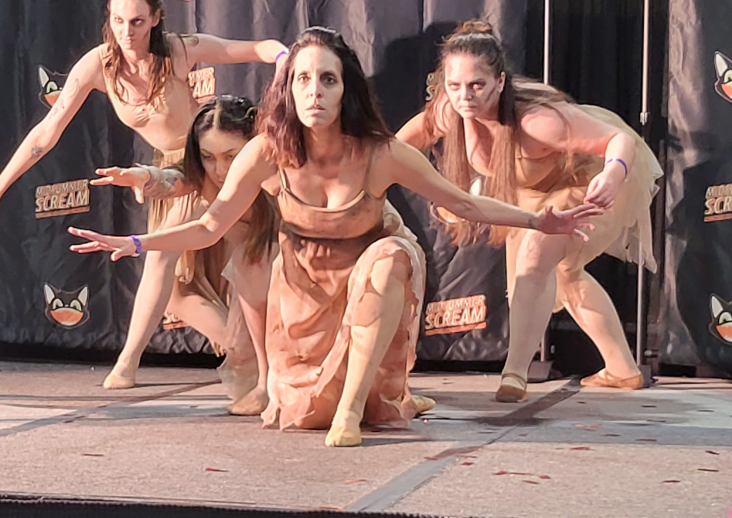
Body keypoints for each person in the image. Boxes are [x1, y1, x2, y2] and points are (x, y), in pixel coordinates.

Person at [68, 27, 599, 447]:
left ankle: (352, 407)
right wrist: (136, 245)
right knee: (300, 414)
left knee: (391, 258)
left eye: (327, 80)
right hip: (304, 291)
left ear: (345, 89)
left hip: (373, 267)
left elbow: (460, 201)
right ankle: (381, 396)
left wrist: (538, 222)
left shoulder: (377, 151)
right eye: (302, 79)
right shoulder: (266, 152)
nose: (314, 92)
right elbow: (211, 224)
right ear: (287, 88)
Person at [0, 0, 287, 390]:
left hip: (203, 165)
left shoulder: (178, 50)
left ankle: (130, 364)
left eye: (137, 22)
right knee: (178, 294)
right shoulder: (98, 65)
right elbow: (46, 132)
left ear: (156, 20)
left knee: (194, 261)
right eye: (118, 20)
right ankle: (249, 356)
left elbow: (255, 48)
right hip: (165, 173)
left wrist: (285, 59)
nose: (126, 32)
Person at [396, 21, 662, 403]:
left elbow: (617, 140)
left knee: (537, 256)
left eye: (477, 86)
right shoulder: (449, 109)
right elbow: (395, 150)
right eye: (454, 86)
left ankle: (514, 374)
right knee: (565, 271)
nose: (464, 97)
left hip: (590, 179)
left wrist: (613, 173)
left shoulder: (537, 121)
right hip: (535, 194)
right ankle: (622, 369)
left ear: (500, 82)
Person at [91, 95, 276, 415]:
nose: (220, 169)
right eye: (208, 156)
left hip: (295, 259)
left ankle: (272, 372)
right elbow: (173, 182)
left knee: (253, 266)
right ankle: (131, 358)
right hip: (233, 243)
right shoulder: (200, 177)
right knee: (172, 273)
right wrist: (146, 177)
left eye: (231, 156)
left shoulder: (273, 166)